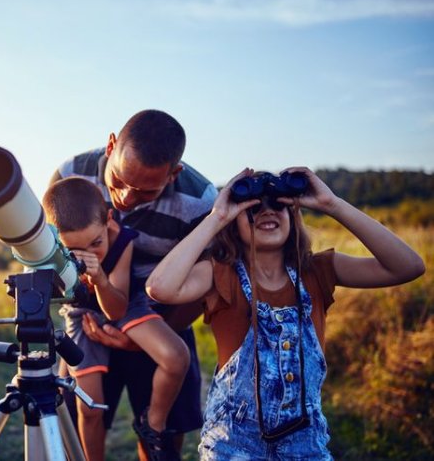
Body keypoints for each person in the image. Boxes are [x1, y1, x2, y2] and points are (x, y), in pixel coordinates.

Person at [145, 167, 425, 460]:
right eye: (253, 208)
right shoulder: (220, 275)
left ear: (294, 214)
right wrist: (217, 217)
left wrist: (332, 204)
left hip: (305, 442)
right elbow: (159, 287)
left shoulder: (317, 271)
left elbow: (408, 266)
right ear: (233, 222)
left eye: (279, 205)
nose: (268, 212)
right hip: (232, 442)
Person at [50, 109, 218, 460]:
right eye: (118, 181)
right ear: (111, 146)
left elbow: (208, 282)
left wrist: (140, 340)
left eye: (145, 192)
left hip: (158, 316)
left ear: (174, 174)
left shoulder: (201, 202)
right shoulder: (70, 175)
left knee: (163, 441)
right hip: (87, 316)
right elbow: (50, 253)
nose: (125, 197)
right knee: (79, 423)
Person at [43, 177, 191, 461]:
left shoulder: (122, 240)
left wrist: (99, 278)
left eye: (96, 242)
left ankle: (154, 424)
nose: (89, 255)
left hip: (122, 302)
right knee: (89, 407)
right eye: (74, 251)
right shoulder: (52, 254)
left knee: (176, 357)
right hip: (81, 314)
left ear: (109, 220)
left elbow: (116, 311)